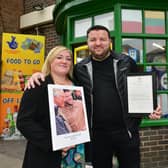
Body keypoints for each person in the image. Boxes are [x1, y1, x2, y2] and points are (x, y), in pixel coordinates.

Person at [25, 25, 162, 168]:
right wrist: (38, 75)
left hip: (126, 132)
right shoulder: (80, 68)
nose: (98, 43)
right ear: (88, 42)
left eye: (102, 39)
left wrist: (149, 109)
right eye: (93, 39)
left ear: (109, 41)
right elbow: (61, 79)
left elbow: (141, 87)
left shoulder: (126, 62)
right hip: (97, 136)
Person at [16, 45, 75, 168]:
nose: (64, 61)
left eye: (68, 59)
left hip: (75, 152)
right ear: (50, 61)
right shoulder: (38, 84)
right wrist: (54, 143)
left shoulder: (77, 84)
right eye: (59, 57)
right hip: (44, 154)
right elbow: (24, 121)